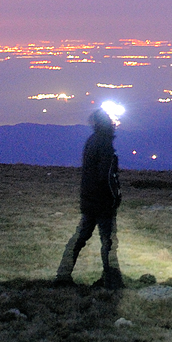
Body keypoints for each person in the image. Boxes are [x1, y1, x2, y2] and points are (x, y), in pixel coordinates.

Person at [55, 103, 124, 288]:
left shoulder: (92, 140)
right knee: (108, 241)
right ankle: (111, 280)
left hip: (89, 198)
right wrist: (115, 196)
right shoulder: (105, 143)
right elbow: (107, 175)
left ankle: (63, 275)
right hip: (103, 201)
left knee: (80, 237)